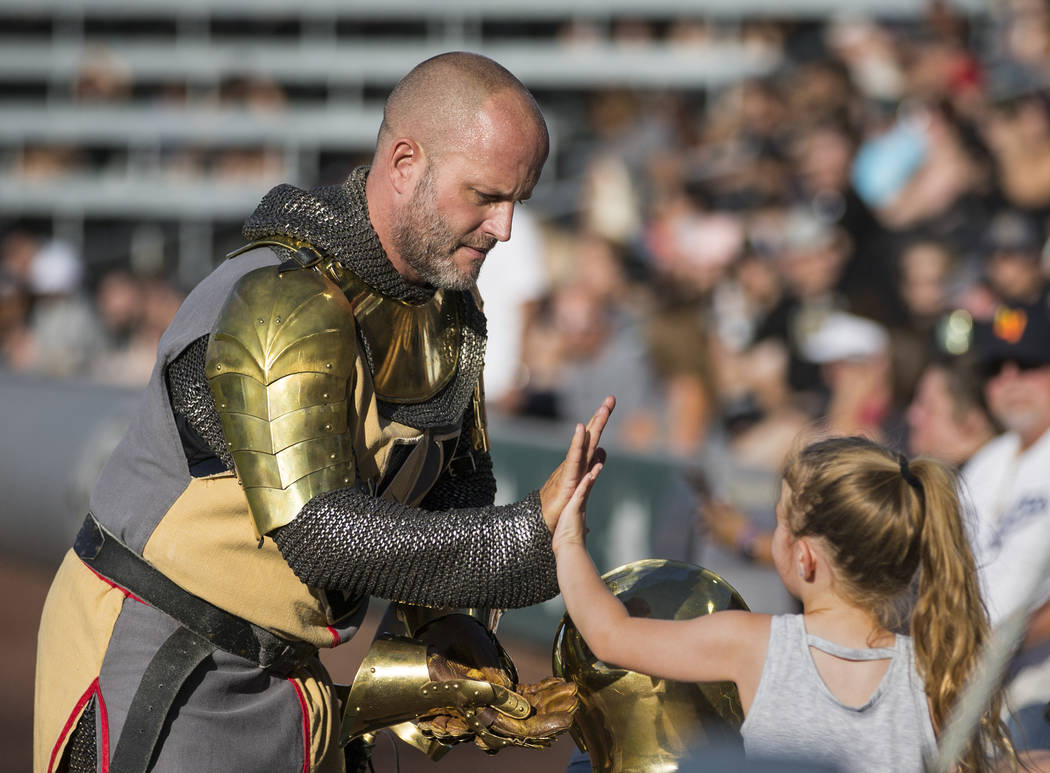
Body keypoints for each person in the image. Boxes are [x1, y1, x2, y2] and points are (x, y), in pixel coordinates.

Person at [34, 52, 614, 773]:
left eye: (518, 200)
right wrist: (527, 540)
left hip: (288, 676)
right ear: (405, 161)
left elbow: (452, 489)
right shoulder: (278, 299)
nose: (504, 227)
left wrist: (456, 644)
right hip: (165, 660)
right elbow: (323, 532)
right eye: (486, 195)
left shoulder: (449, 314)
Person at [554, 435, 1016, 772]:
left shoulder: (755, 643)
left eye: (778, 523)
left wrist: (568, 539)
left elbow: (609, 635)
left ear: (805, 557)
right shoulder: (935, 667)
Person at [964, 302, 1050, 751]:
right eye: (996, 369)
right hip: (970, 694)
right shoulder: (986, 462)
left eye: (1030, 364)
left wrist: (1011, 641)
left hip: (1039, 693)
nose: (1010, 381)